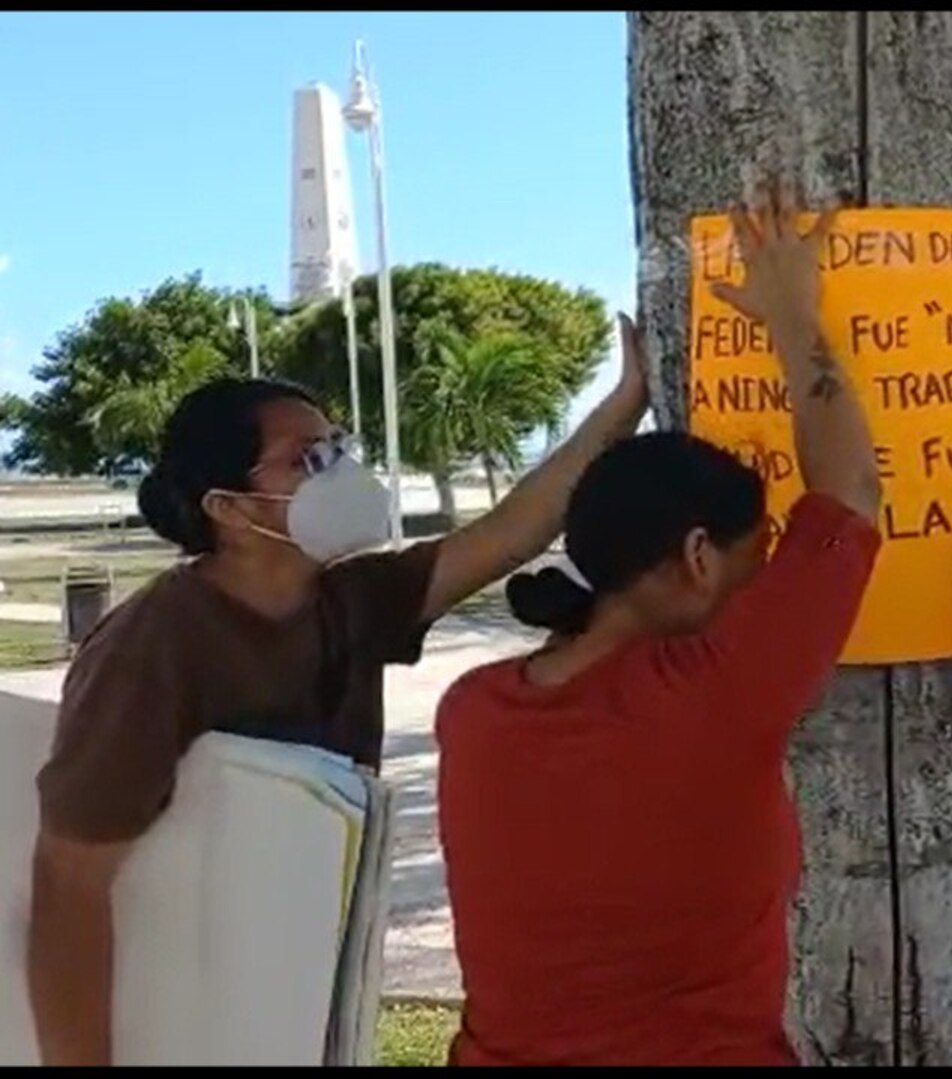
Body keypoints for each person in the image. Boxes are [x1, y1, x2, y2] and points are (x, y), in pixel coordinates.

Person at [28, 318, 655, 1065]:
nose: (341, 470)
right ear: (227, 507)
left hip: (302, 983)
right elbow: (69, 885)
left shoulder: (354, 597)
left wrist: (623, 405)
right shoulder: (152, 649)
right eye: (307, 458)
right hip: (193, 1007)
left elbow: (511, 533)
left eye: (340, 447)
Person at [432, 183, 881, 1066]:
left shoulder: (472, 712)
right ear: (699, 558)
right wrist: (795, 313)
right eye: (757, 568)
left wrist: (621, 411)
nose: (761, 594)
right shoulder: (714, 694)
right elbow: (851, 492)